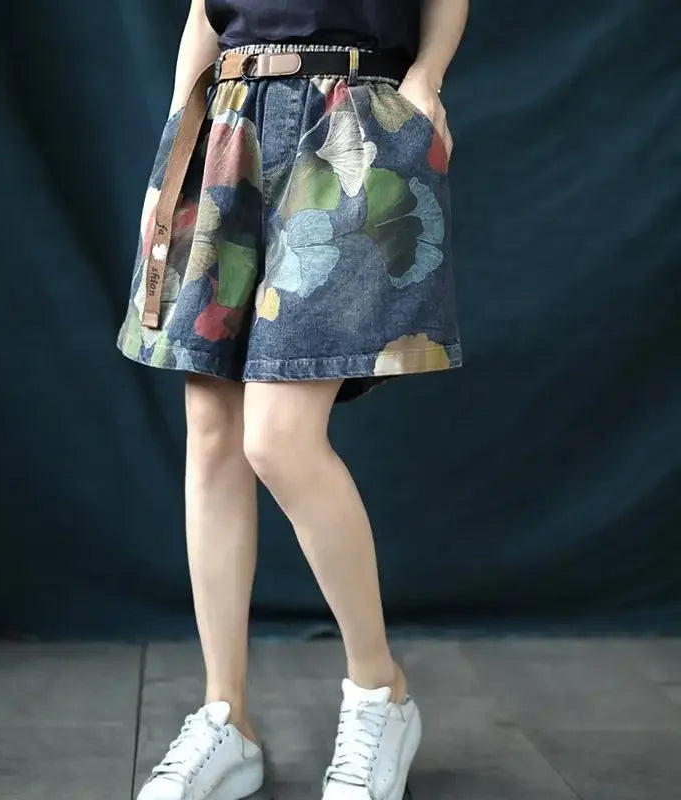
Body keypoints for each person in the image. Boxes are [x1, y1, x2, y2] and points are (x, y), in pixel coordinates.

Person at [116, 1, 468, 798]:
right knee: (212, 428)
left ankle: (380, 691)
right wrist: (174, 148)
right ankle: (226, 718)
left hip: (350, 119)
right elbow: (206, 13)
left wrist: (425, 81)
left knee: (277, 437)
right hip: (227, 121)